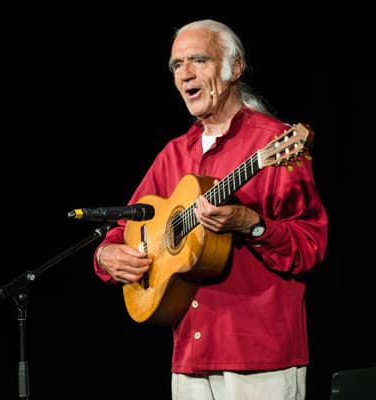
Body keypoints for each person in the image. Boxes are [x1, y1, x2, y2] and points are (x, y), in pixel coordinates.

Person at [92, 19, 328, 400]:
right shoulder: (173, 154)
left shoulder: (274, 142)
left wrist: (253, 226)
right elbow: (125, 226)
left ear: (235, 68)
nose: (185, 73)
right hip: (190, 356)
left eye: (198, 60)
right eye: (176, 64)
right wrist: (107, 256)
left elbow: (311, 245)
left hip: (259, 356)